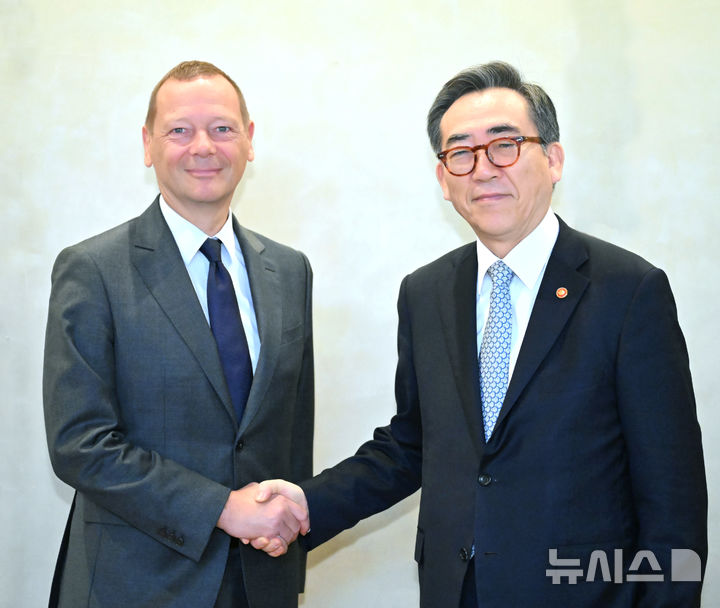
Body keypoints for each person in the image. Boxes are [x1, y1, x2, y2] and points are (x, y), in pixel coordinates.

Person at [257, 62, 707, 607]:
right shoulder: (425, 293)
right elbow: (413, 442)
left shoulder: (628, 291)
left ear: (554, 159)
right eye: (461, 153)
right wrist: (307, 503)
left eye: (505, 145)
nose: (484, 169)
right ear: (444, 180)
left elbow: (672, 500)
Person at [43, 60, 313, 608]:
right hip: (134, 584)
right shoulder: (93, 269)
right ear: (148, 145)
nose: (203, 147)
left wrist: (283, 530)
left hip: (261, 582)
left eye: (221, 128)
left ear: (249, 140)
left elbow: (290, 434)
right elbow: (79, 444)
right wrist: (220, 508)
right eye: (179, 130)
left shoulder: (289, 270)